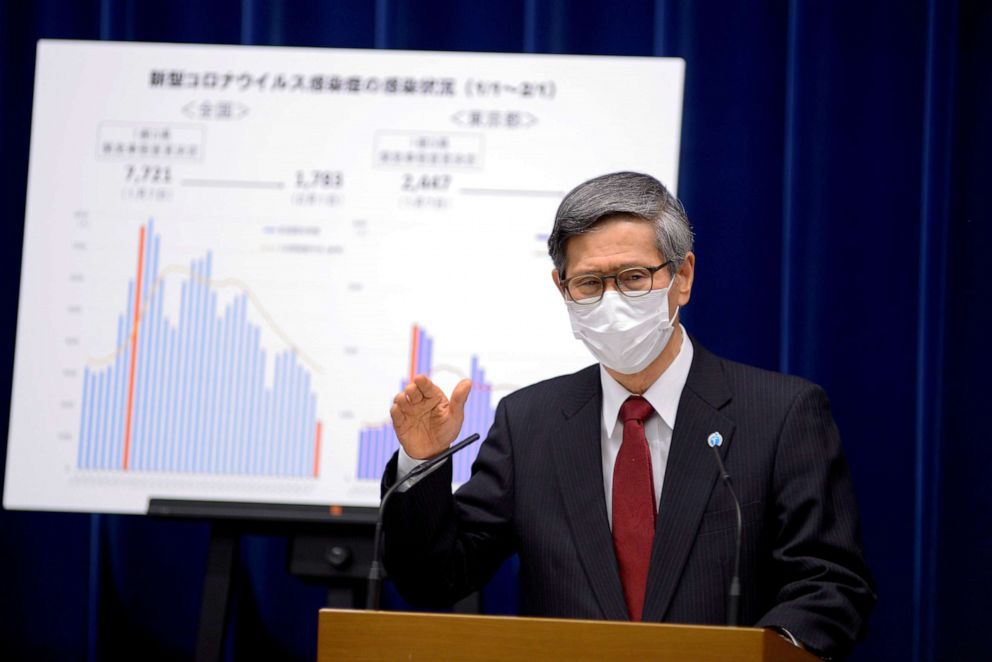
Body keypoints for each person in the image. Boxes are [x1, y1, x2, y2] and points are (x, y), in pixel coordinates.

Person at [381, 171, 875, 658]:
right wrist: (420, 462)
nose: (612, 300)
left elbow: (829, 583)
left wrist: (766, 653)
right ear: (562, 288)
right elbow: (436, 581)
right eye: (590, 283)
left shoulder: (782, 414)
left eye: (635, 277)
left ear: (681, 278)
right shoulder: (528, 422)